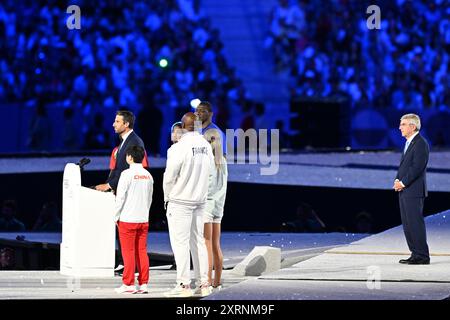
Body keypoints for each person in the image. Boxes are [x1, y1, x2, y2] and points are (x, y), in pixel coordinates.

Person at [163, 112, 214, 297]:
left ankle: (183, 286)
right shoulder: (205, 145)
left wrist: (167, 197)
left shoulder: (177, 148)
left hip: (180, 201)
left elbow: (169, 177)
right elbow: (210, 172)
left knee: (180, 244)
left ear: (183, 127)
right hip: (200, 201)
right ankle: (204, 284)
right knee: (199, 243)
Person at [95, 110, 147, 271]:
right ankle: (126, 264)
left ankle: (131, 268)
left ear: (126, 124)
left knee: (129, 234)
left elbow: (129, 171)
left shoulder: (134, 142)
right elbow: (118, 170)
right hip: (122, 192)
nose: (113, 124)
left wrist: (109, 185)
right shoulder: (124, 142)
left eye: (117, 121)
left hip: (130, 197)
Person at [114, 146, 154, 294]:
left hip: (128, 219)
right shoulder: (148, 176)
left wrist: (115, 216)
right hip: (143, 219)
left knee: (128, 252)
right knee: (142, 251)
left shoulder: (126, 174)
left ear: (129, 157)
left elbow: (120, 198)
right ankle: (143, 284)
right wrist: (145, 214)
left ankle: (128, 284)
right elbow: (150, 199)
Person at [394, 113, 430, 265]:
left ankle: (422, 255)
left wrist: (403, 183)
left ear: (412, 126)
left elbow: (417, 168)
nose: (399, 127)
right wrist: (397, 179)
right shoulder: (410, 142)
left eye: (403, 124)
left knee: (415, 223)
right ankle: (415, 253)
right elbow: (405, 166)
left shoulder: (420, 143)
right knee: (408, 223)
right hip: (405, 189)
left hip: (413, 191)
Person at [202, 129, 227, 291]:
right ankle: (217, 280)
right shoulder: (223, 160)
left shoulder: (207, 160)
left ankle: (207, 280)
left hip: (207, 205)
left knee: (207, 245)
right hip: (219, 205)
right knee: (216, 244)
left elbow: (206, 185)